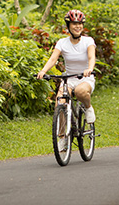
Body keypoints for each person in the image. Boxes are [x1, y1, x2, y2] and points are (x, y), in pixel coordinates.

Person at [37, 9, 97, 149]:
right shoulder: (62, 43)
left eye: (80, 23)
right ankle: (63, 137)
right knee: (60, 102)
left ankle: (88, 108)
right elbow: (53, 59)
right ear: (68, 26)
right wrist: (43, 71)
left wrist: (89, 68)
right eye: (74, 23)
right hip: (69, 79)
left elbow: (91, 57)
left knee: (81, 92)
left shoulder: (88, 41)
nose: (77, 26)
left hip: (85, 78)